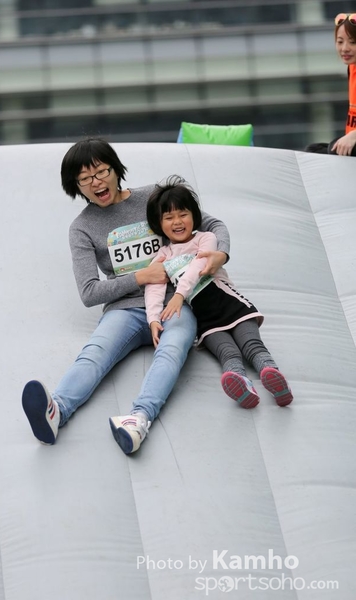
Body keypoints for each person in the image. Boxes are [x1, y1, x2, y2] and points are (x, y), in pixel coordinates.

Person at [22, 137, 230, 454]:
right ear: (76, 187)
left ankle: (138, 420)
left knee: (173, 350)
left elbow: (212, 223)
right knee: (95, 353)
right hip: (125, 309)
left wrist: (221, 254)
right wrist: (141, 277)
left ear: (116, 169)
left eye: (101, 172)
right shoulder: (81, 228)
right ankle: (57, 411)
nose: (96, 182)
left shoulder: (153, 196)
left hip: (174, 301)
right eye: (85, 179)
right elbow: (89, 292)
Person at [145, 176, 293, 409]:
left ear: (194, 215)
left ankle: (273, 376)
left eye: (183, 214)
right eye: (169, 217)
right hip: (206, 320)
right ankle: (242, 385)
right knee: (227, 353)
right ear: (159, 223)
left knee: (251, 345)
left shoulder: (206, 238)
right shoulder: (163, 255)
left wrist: (179, 294)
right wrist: (153, 318)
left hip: (231, 305)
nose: (177, 222)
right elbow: (154, 287)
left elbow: (199, 266)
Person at [305, 12, 356, 156]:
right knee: (314, 151)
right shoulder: (352, 67)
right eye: (340, 42)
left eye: (352, 42)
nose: (344, 48)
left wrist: (353, 136)